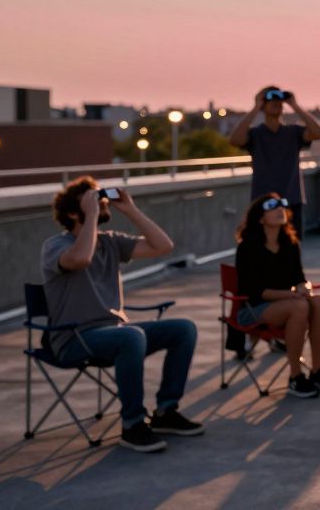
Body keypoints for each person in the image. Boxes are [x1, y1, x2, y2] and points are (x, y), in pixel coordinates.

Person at [40, 177, 202, 453]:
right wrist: (91, 215)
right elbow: (80, 259)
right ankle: (132, 425)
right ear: (71, 212)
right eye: (92, 201)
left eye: (102, 200)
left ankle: (165, 412)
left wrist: (131, 210)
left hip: (117, 333)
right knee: (131, 336)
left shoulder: (111, 242)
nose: (101, 204)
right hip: (73, 339)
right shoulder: (55, 246)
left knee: (183, 329)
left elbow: (163, 246)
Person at [234, 193, 320, 398]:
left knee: (319, 302)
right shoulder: (248, 247)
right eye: (272, 207)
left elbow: (300, 278)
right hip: (253, 309)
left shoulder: (290, 244)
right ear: (260, 217)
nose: (280, 210)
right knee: (299, 306)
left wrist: (303, 288)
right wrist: (291, 295)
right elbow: (253, 291)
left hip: (288, 304)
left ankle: (317, 371)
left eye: (282, 206)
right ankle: (295, 377)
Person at [228, 86, 320, 227]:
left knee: (292, 247)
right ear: (263, 105)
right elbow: (235, 140)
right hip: (262, 204)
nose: (276, 103)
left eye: (279, 101)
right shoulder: (255, 134)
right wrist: (256, 107)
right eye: (271, 100)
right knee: (263, 248)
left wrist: (294, 105)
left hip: (291, 202)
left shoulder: (293, 133)